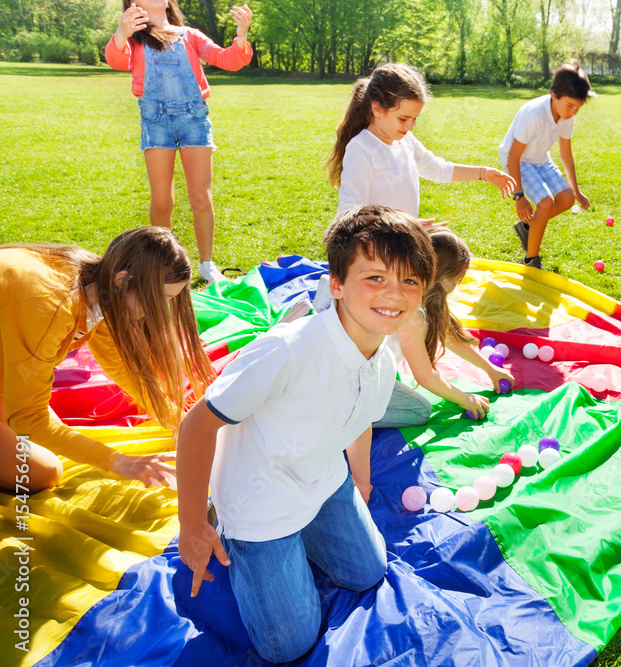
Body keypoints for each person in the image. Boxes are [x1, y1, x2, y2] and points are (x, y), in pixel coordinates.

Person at [176, 205, 435, 663]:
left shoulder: (382, 357)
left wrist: (359, 480)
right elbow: (196, 424)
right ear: (335, 284)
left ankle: (305, 536)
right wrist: (192, 525)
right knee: (288, 645)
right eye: (374, 278)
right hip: (260, 503)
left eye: (410, 281)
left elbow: (358, 420)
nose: (394, 294)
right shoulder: (286, 351)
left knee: (368, 572)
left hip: (322, 479)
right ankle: (229, 527)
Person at [0, 227, 216, 493]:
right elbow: (28, 418)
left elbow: (120, 364)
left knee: (49, 443)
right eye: (161, 300)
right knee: (41, 473)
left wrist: (179, 421)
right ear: (123, 279)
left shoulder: (98, 284)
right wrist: (121, 463)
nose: (163, 311)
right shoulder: (49, 305)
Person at [105, 1, 254, 283]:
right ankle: (163, 265)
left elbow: (228, 59)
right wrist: (121, 33)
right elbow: (116, 60)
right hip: (156, 122)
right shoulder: (135, 40)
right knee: (162, 202)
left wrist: (242, 36)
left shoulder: (189, 35)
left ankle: (207, 265)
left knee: (201, 197)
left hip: (194, 121)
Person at [313, 228, 514, 427]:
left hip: (338, 361)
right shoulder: (413, 314)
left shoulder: (416, 291)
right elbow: (425, 376)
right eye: (458, 280)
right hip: (344, 375)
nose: (457, 286)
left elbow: (448, 334)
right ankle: (329, 414)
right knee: (418, 410)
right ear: (445, 280)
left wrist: (490, 369)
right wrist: (464, 399)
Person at [327, 62, 515, 223]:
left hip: (402, 242)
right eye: (403, 118)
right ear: (377, 109)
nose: (410, 127)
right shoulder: (362, 149)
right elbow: (349, 215)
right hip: (375, 251)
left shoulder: (405, 140)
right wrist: (403, 225)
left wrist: (483, 173)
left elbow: (437, 169)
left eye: (415, 118)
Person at [499, 60, 596, 270]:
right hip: (518, 160)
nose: (572, 113)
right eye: (570, 106)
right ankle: (530, 260)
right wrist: (519, 197)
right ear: (554, 95)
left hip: (540, 158)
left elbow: (566, 155)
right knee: (546, 202)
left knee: (567, 198)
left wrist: (577, 191)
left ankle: (528, 226)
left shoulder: (566, 115)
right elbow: (513, 157)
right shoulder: (533, 114)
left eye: (577, 108)